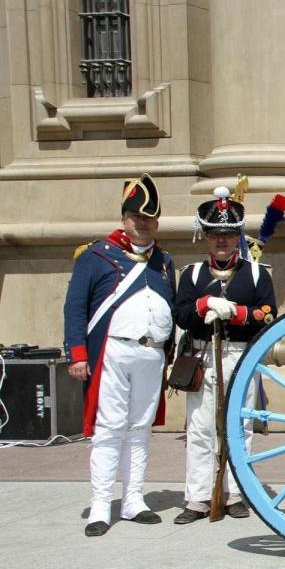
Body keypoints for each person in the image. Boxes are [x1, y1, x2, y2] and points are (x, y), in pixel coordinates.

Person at [63, 174, 175, 537]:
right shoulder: (95, 255)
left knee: (140, 429)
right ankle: (100, 504)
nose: (143, 224)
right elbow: (75, 307)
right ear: (124, 218)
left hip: (151, 354)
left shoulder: (163, 261)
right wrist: (78, 354)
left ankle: (133, 499)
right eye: (136, 217)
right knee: (109, 429)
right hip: (112, 351)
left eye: (149, 218)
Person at [171, 187, 278, 524]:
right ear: (205, 236)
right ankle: (199, 497)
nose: (222, 241)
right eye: (215, 235)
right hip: (203, 356)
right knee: (201, 429)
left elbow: (269, 314)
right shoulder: (191, 274)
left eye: (229, 235)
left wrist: (236, 313)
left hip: (241, 355)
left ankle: (235, 493)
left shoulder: (257, 273)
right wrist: (204, 305)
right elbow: (182, 314)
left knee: (240, 426)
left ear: (238, 237)